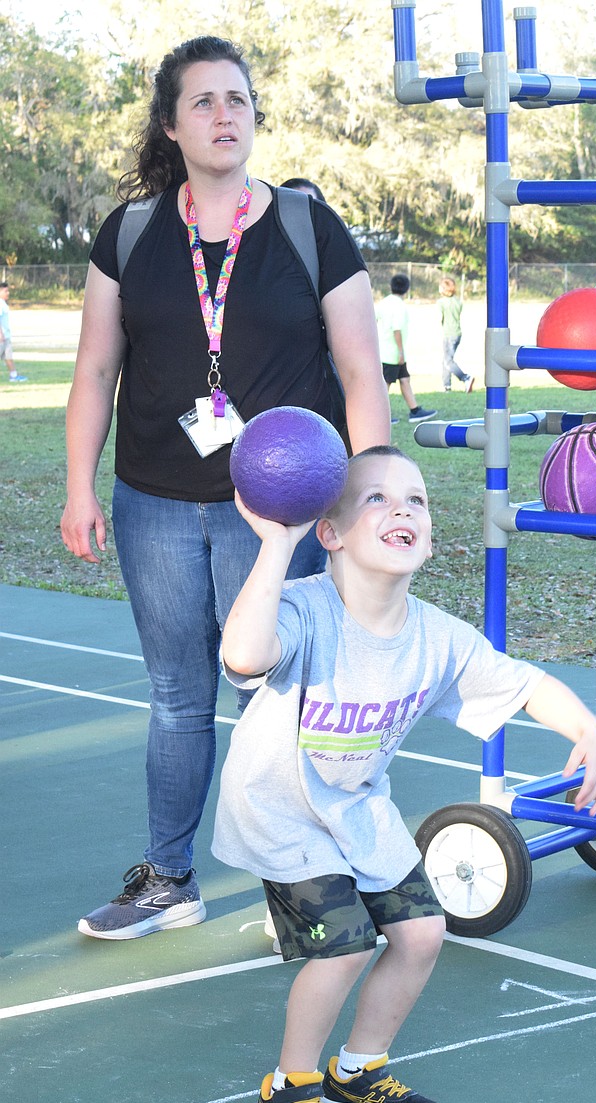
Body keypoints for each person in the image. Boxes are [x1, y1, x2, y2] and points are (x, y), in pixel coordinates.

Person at [60, 35, 389, 941]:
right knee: (175, 696)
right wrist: (78, 488)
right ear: (171, 124)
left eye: (237, 99)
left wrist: (371, 496)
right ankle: (169, 878)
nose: (222, 115)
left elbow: (360, 375)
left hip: (279, 517)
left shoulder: (307, 227)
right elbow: (94, 374)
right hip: (155, 503)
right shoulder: (128, 234)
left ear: (254, 117)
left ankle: (305, 878)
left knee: (276, 693)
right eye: (202, 101)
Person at [212, 444, 596, 1103]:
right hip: (279, 808)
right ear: (327, 532)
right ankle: (285, 1091)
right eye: (376, 498)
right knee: (343, 947)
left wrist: (587, 726)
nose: (402, 508)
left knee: (424, 932)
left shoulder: (437, 636)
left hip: (356, 805)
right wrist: (276, 543)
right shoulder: (304, 609)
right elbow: (243, 655)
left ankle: (356, 1072)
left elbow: (522, 684)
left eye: (417, 500)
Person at [374, 274, 436, 425]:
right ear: (407, 289)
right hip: (392, 353)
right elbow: (397, 330)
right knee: (385, 385)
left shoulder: (384, 302)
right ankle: (380, 416)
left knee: (404, 379)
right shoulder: (400, 306)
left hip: (384, 350)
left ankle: (415, 411)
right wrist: (400, 352)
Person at [437, 275, 474, 392]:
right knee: (446, 359)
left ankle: (465, 377)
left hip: (448, 334)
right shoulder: (458, 302)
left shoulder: (441, 302)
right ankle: (447, 386)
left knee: (448, 361)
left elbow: (439, 318)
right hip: (457, 333)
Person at [0, 281, 27, 383]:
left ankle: (13, 376)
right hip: (2, 337)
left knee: (8, 357)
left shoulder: (3, 303)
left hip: (6, 336)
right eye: (5, 291)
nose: (8, 293)